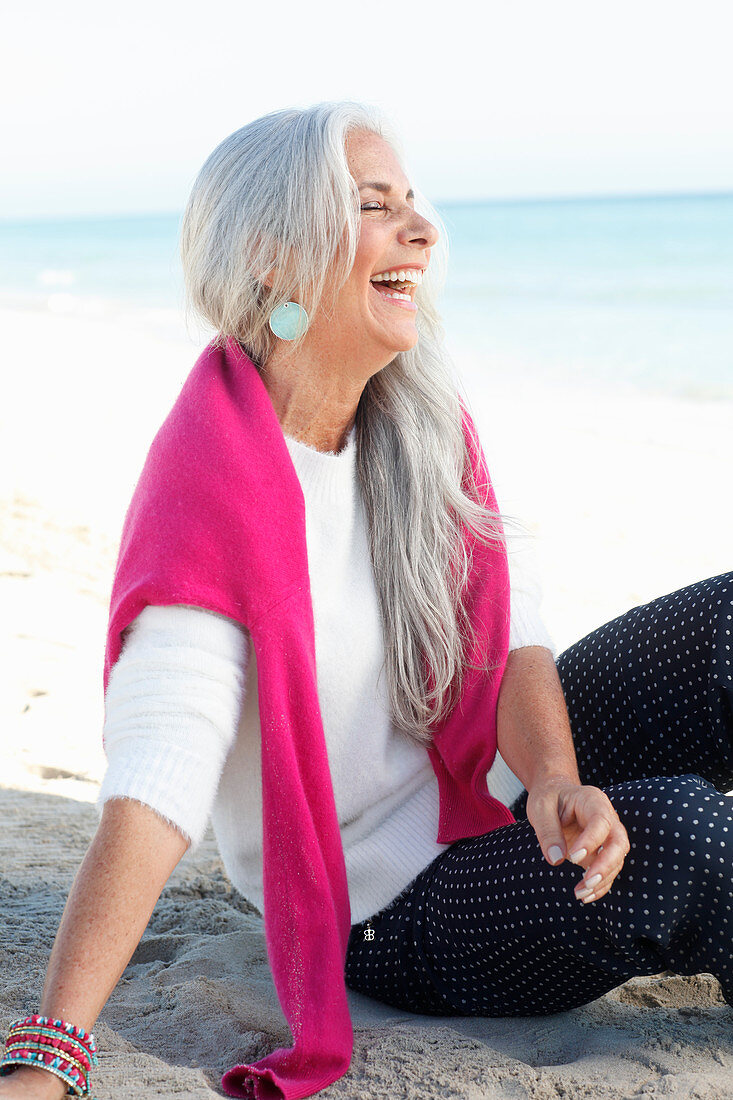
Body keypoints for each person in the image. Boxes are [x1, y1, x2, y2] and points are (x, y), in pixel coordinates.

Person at [1, 101, 730, 1100]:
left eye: (412, 203)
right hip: (388, 903)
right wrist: (53, 1048)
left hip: (489, 769)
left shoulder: (417, 411)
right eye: (373, 207)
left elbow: (513, 633)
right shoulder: (209, 495)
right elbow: (155, 786)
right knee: (684, 838)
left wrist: (555, 776)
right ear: (273, 258)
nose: (421, 231)